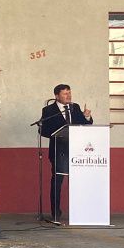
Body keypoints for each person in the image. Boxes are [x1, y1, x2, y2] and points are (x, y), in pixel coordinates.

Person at [40, 84, 93, 221]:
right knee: (58, 181)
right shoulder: (48, 110)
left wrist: (87, 117)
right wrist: (57, 132)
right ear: (57, 96)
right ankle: (56, 212)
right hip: (59, 150)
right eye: (65, 94)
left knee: (79, 181)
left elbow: (84, 124)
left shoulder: (75, 107)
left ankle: (80, 210)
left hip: (77, 150)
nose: (69, 96)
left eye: (69, 93)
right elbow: (43, 130)